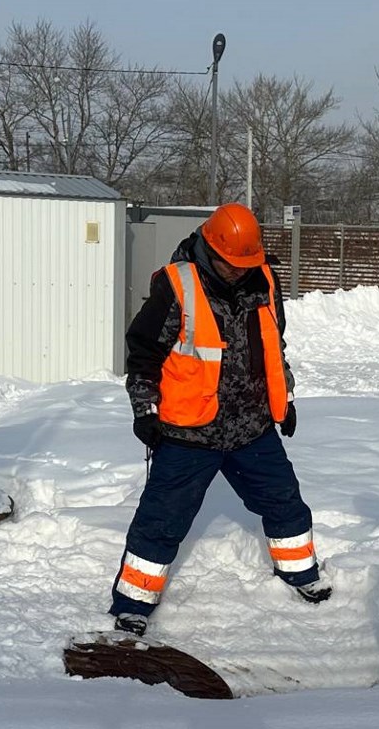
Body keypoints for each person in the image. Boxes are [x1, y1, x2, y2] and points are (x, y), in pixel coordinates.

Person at [109, 202, 331, 637]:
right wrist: (145, 409)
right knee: (161, 519)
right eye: (231, 263)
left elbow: (274, 347)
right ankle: (133, 603)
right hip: (188, 432)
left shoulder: (265, 280)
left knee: (284, 500)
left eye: (245, 263)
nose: (239, 271)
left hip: (252, 426)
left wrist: (284, 399)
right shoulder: (176, 285)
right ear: (210, 249)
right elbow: (144, 356)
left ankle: (301, 574)